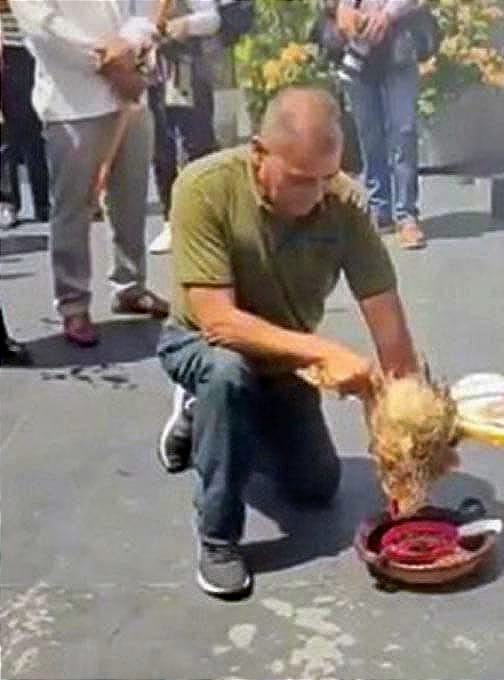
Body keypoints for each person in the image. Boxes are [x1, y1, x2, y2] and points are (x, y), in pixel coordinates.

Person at [157, 87, 420, 598]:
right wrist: (328, 352)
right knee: (227, 375)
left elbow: (388, 324)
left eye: (328, 176)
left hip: (283, 362)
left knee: (316, 488)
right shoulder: (204, 186)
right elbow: (219, 322)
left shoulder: (341, 202)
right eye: (302, 180)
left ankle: (217, 423)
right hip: (200, 343)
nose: (318, 194)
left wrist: (407, 440)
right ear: (259, 152)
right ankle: (218, 537)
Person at [11, 0, 169, 348]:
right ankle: (74, 303)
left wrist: (135, 47)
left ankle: (130, 285)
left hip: (129, 95)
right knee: (73, 208)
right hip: (74, 104)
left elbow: (138, 11)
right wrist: (108, 61)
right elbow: (45, 27)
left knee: (130, 198)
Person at [336, 0, 426, 250]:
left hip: (398, 47)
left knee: (403, 132)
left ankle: (406, 215)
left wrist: (387, 14)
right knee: (369, 134)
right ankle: (379, 209)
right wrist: (343, 10)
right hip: (358, 49)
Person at [144, 0, 220, 255]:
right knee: (160, 149)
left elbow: (212, 18)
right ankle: (171, 220)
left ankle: (207, 218)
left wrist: (186, 24)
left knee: (197, 144)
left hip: (186, 69)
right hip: (148, 72)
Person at [0, 0, 49, 228]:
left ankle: (43, 201)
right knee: (7, 133)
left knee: (34, 129)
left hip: (32, 47)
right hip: (7, 48)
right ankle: (9, 202)